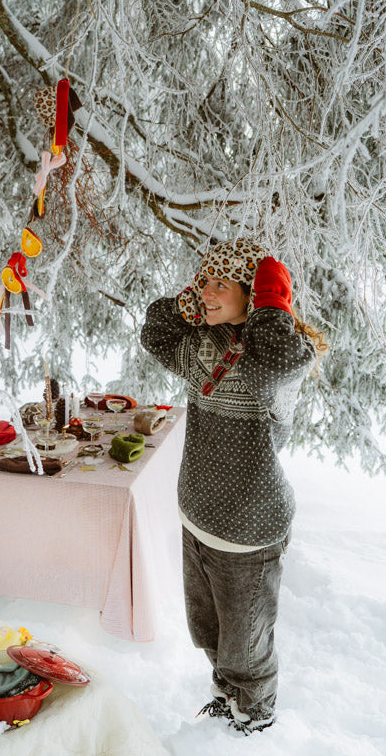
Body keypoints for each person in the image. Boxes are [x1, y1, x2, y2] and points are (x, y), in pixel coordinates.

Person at [140, 237, 327, 735]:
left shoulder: (284, 358)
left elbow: (274, 362)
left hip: (249, 528)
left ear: (255, 296)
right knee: (209, 632)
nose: (206, 291)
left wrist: (271, 302)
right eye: (204, 280)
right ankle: (228, 702)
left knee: (247, 647)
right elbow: (156, 332)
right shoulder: (205, 345)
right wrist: (192, 300)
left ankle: (254, 726)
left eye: (221, 283)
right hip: (198, 517)